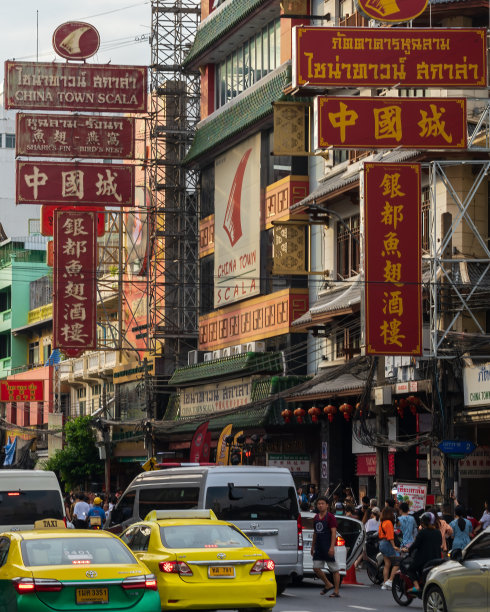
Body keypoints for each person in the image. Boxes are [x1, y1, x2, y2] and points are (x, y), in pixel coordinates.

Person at [403, 512, 442, 594]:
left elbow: (415, 545)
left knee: (410, 569)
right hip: (436, 559)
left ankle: (416, 586)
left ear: (424, 522)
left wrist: (408, 550)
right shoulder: (438, 533)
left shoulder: (422, 533)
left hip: (423, 560)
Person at [311, 496, 341, 598]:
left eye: (322, 503)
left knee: (334, 569)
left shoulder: (330, 517)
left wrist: (332, 547)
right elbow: (315, 532)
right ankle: (328, 584)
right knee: (316, 567)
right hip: (318, 547)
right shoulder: (315, 517)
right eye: (319, 504)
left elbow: (333, 533)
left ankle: (336, 591)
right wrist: (312, 546)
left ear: (327, 505)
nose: (320, 505)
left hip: (328, 546)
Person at [378, 506, 400, 589]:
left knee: (387, 564)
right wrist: (394, 546)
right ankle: (390, 580)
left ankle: (385, 583)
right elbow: (390, 536)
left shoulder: (382, 522)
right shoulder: (389, 523)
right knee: (397, 562)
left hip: (382, 543)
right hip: (387, 543)